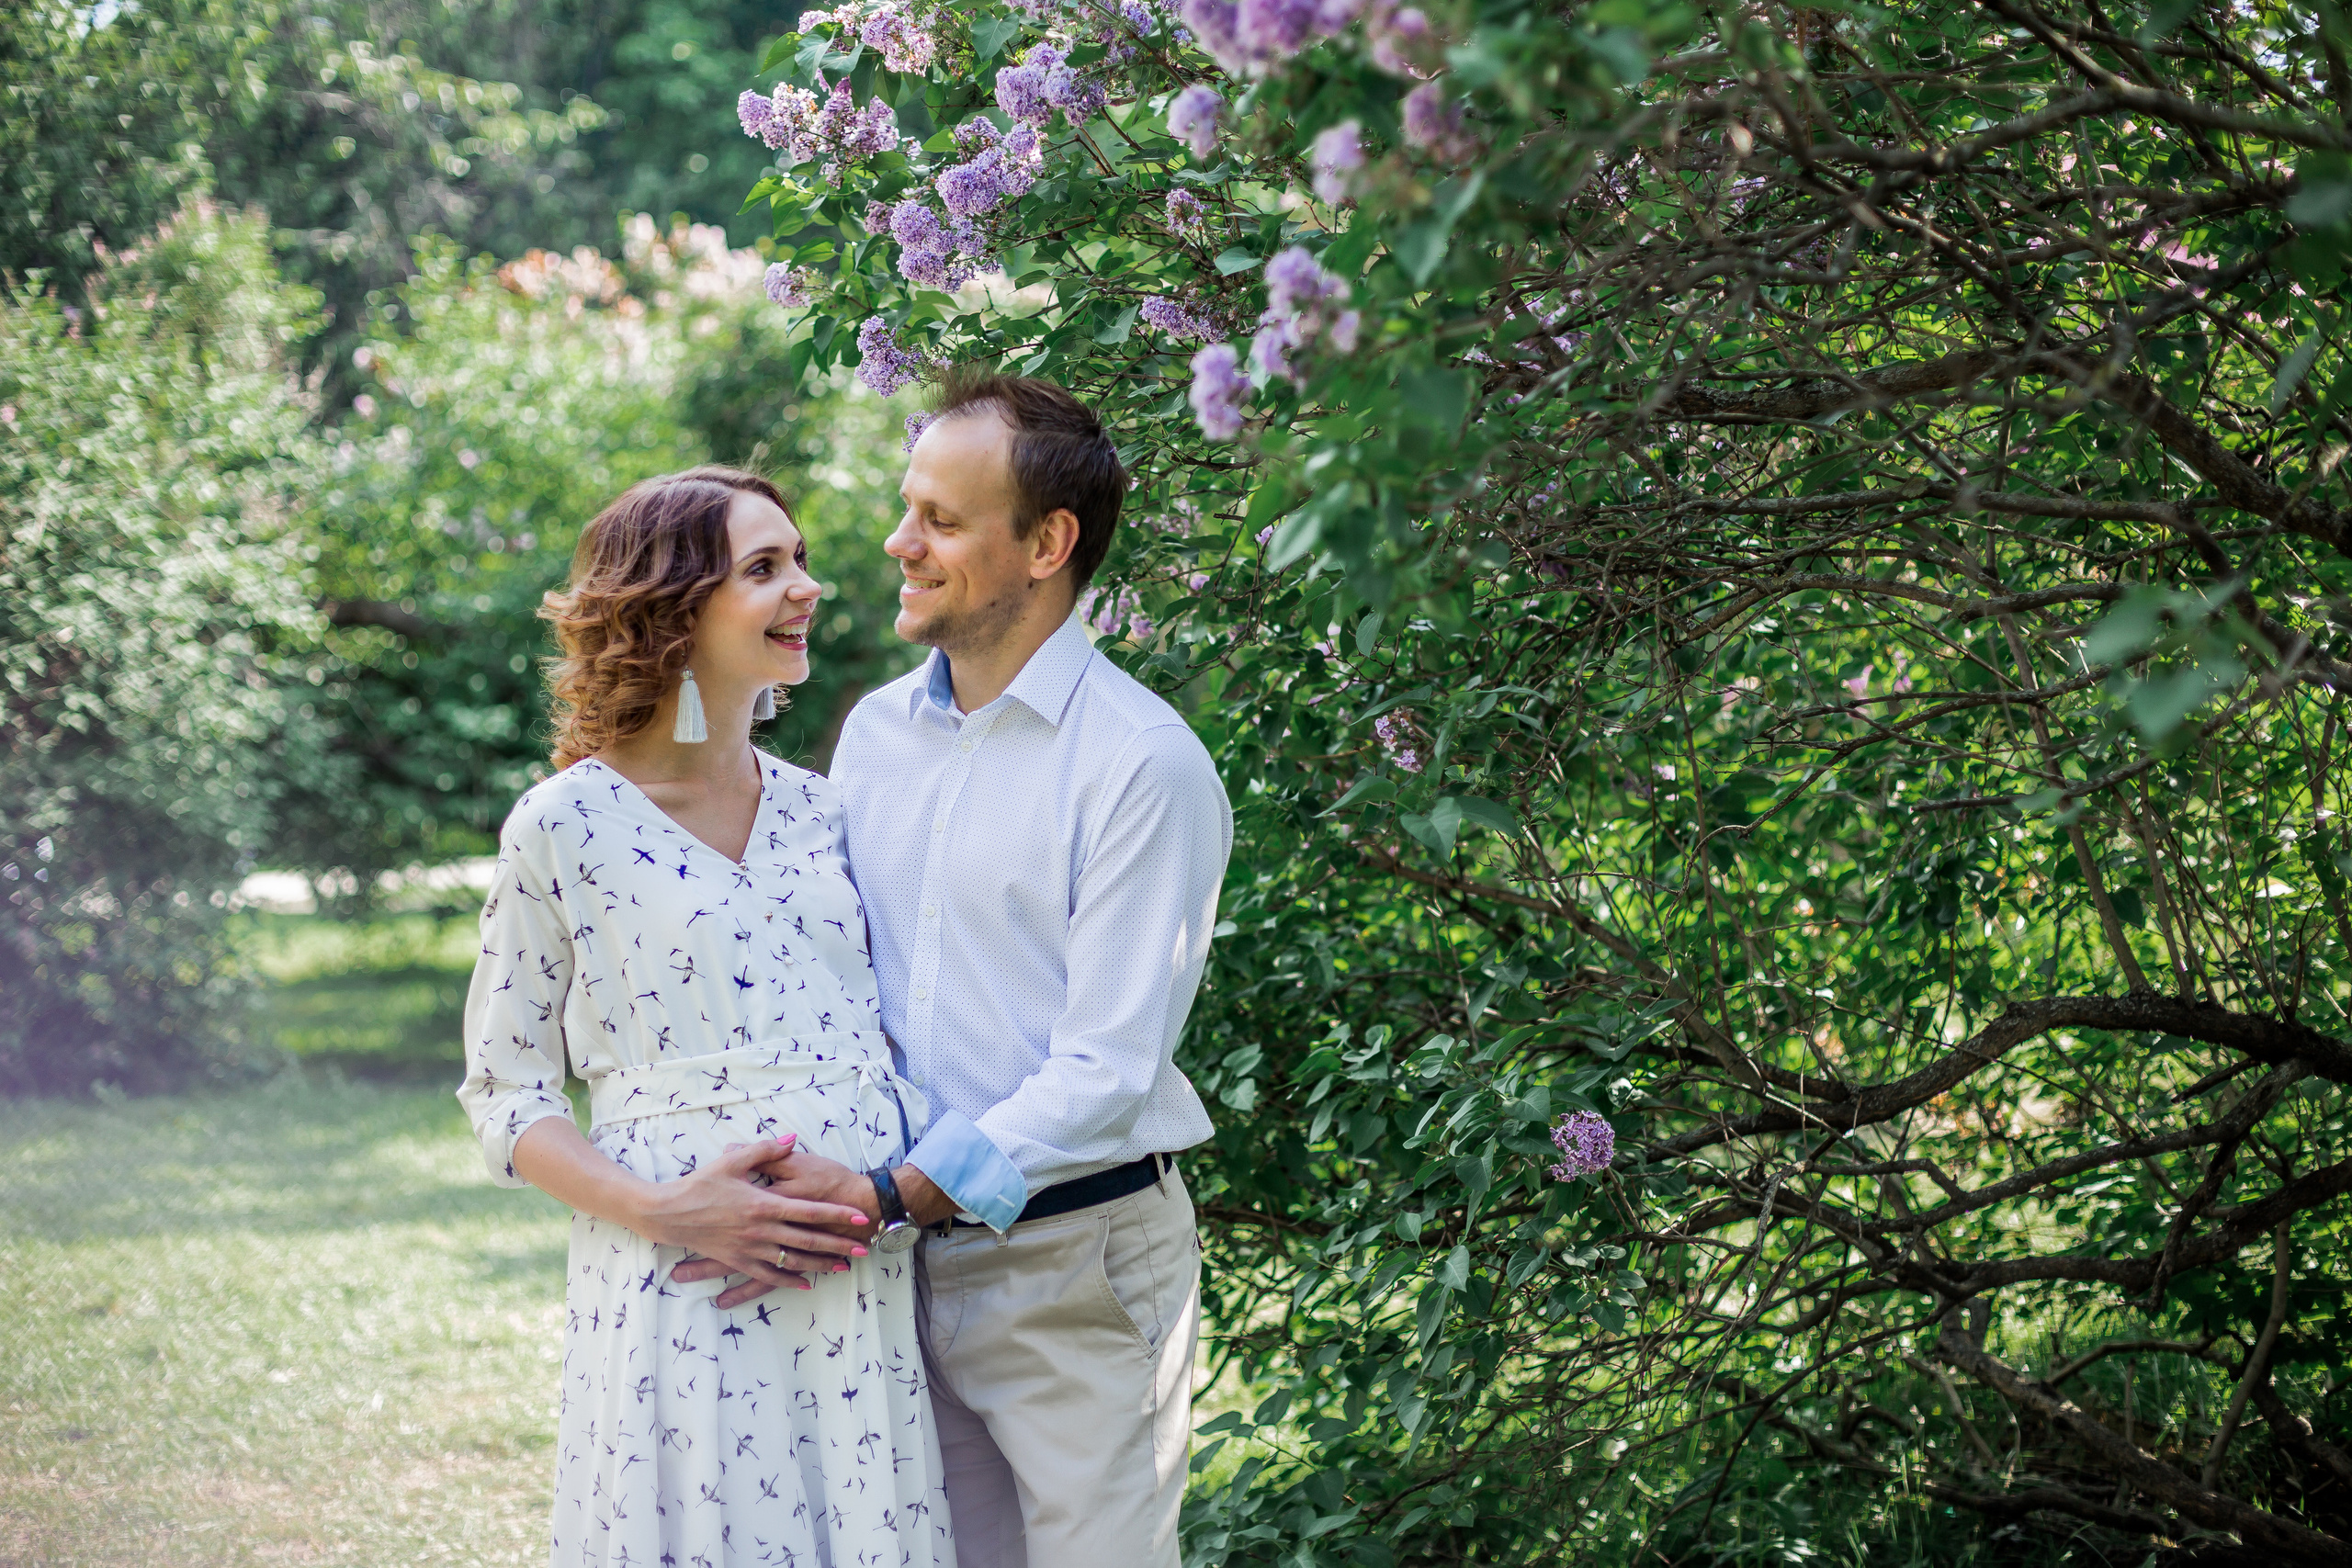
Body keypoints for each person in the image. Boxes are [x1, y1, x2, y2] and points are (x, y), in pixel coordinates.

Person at [675, 374, 1233, 1568]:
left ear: (1047, 544)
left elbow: (1106, 1073)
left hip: (1076, 1269)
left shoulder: (1143, 766)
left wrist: (890, 1190)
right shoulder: (876, 735)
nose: (898, 542)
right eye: (906, 507)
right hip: (889, 1270)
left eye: (940, 519)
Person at [457, 467, 956, 1568]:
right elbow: (506, 1091)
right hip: (678, 1273)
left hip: (854, 1265)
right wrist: (666, 1210)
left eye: (800, 560)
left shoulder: (828, 811)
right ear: (673, 609)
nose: (808, 588)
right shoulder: (563, 825)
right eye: (765, 568)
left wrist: (885, 1186)